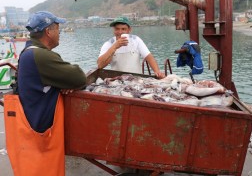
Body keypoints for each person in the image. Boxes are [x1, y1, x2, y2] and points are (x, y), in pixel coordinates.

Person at [4, 11, 86, 176]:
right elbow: (79, 77)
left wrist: (60, 84)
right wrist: (66, 82)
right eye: (57, 28)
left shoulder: (29, 51)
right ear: (48, 31)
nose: (60, 31)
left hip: (32, 125)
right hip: (39, 133)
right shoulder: (40, 55)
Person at [97, 16, 165, 79]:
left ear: (129, 30)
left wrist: (157, 72)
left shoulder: (136, 40)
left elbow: (149, 57)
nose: (120, 32)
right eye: (117, 29)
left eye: (123, 29)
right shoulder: (108, 44)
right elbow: (100, 65)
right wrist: (114, 47)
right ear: (114, 30)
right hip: (117, 80)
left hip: (136, 79)